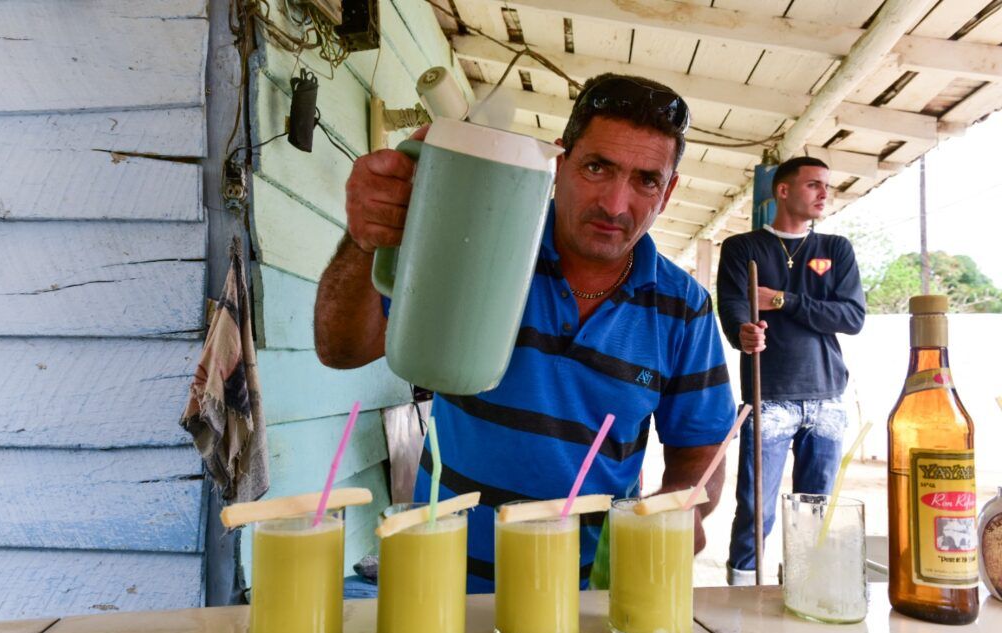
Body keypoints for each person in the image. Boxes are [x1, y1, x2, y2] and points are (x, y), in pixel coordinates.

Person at [315, 73, 736, 592]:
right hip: (432, 580)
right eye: (597, 167)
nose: (615, 204)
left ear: (667, 192)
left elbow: (700, 450)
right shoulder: (479, 240)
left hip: (581, 599)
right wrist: (364, 240)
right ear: (559, 163)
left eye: (645, 180)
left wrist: (684, 503)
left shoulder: (686, 309)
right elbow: (341, 348)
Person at [716, 156, 866, 585]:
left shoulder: (835, 249)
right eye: (814, 185)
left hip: (827, 398)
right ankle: (742, 596)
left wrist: (782, 300)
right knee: (755, 507)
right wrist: (743, 330)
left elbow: (852, 317)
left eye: (827, 186)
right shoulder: (743, 248)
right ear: (782, 191)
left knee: (815, 509)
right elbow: (734, 304)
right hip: (770, 396)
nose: (824, 194)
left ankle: (805, 587)